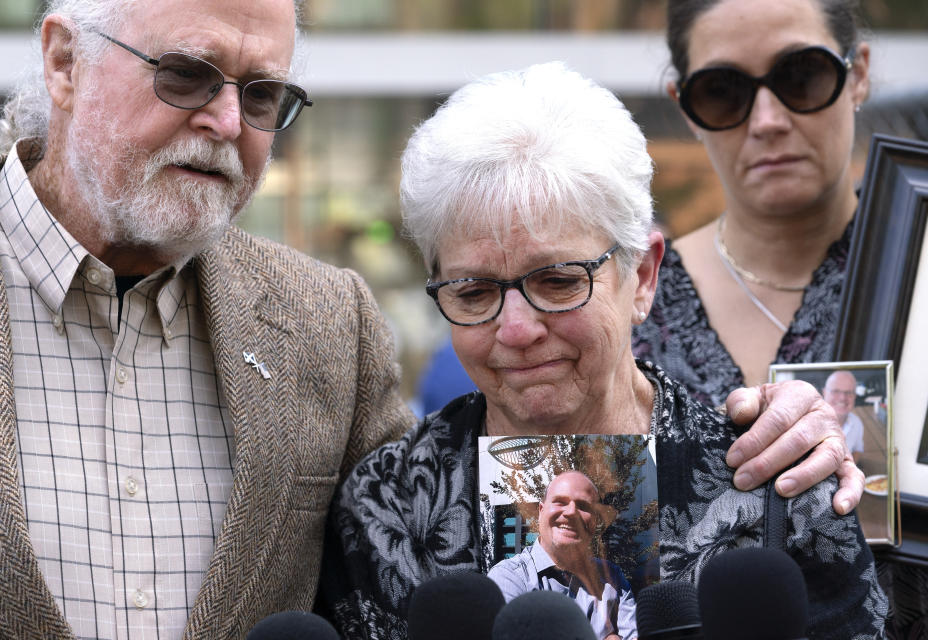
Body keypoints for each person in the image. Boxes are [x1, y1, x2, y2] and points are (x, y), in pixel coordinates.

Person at [318, 62, 886, 640]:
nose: (516, 329)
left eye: (559, 282)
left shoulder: (771, 482)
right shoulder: (384, 504)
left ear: (641, 276)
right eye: (474, 292)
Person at [0, 0, 416, 637]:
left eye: (262, 96)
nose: (228, 121)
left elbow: (418, 568)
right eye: (184, 73)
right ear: (65, 63)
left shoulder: (330, 324)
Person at [632, 0, 870, 408]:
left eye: (801, 76)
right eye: (722, 92)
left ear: (858, 76)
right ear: (686, 107)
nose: (767, 121)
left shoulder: (913, 270)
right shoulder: (635, 302)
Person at [487, 471, 637, 640]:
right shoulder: (509, 579)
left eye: (584, 506)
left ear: (594, 522)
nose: (571, 512)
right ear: (541, 512)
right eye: (560, 502)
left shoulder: (613, 578)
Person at [824, 370, 864, 461]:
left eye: (849, 392)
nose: (842, 398)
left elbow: (858, 449)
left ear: (855, 396)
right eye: (836, 391)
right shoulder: (810, 424)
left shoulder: (856, 423)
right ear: (824, 392)